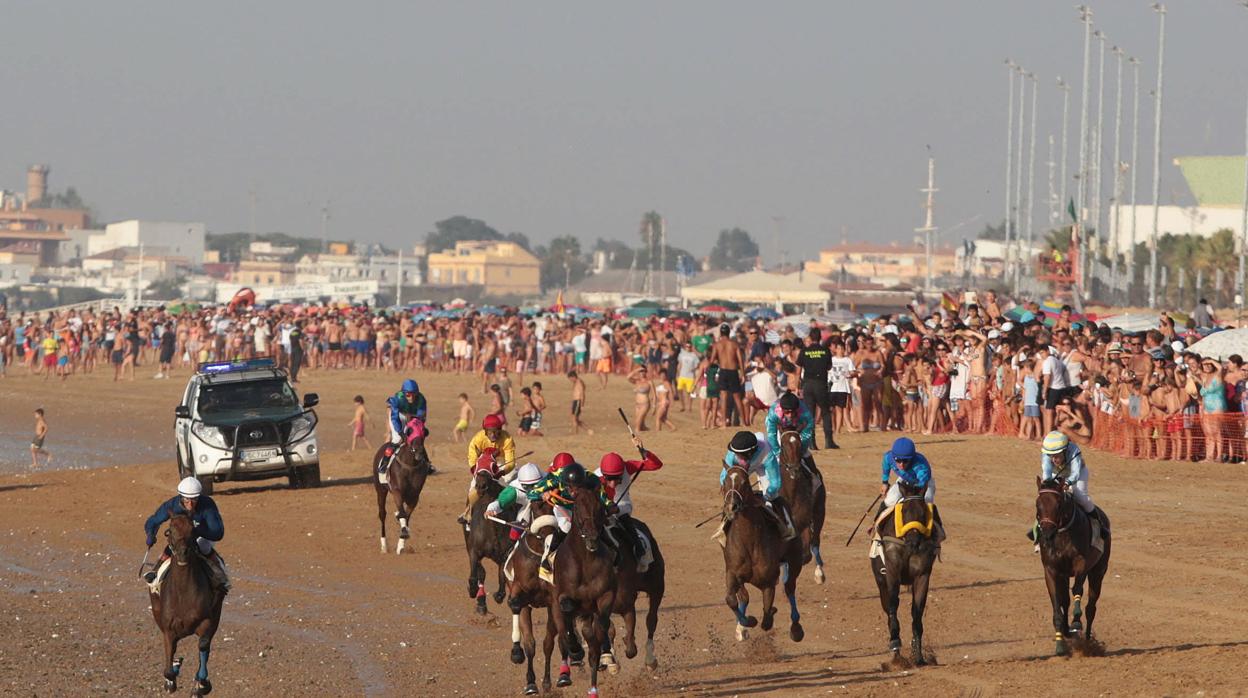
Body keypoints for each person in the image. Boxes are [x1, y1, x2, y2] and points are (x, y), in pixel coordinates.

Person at [142, 477, 230, 592]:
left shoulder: (207, 505)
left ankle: (220, 576)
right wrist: (150, 534)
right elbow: (153, 521)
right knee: (174, 545)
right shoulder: (172, 505)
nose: (190, 504)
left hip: (204, 535)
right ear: (181, 497)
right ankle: (156, 572)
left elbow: (217, 532)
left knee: (203, 546)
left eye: (194, 500)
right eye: (187, 500)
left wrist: (195, 530)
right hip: (182, 538)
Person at [526, 461, 609, 577]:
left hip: (584, 507)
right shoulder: (555, 478)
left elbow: (602, 496)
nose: (574, 492)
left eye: (578, 487)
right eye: (570, 488)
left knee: (597, 524)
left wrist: (610, 506)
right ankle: (548, 558)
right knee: (566, 527)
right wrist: (543, 495)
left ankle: (613, 553)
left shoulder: (592, 479)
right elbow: (531, 493)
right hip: (564, 506)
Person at [714, 430, 795, 544]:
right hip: (742, 467)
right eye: (736, 454)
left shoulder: (767, 454)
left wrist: (766, 498)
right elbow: (724, 476)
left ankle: (786, 527)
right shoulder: (733, 453)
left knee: (773, 497)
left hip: (762, 464)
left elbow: (775, 482)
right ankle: (724, 527)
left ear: (749, 453)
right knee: (733, 494)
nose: (736, 455)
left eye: (739, 455)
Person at [1033, 430, 1106, 552]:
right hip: (1056, 474)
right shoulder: (1046, 455)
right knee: (1047, 502)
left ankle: (1100, 526)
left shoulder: (1074, 451)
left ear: (1065, 450)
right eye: (1051, 455)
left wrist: (1067, 483)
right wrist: (1049, 488)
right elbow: (1047, 474)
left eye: (1057, 455)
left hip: (1078, 474)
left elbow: (1075, 474)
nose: (1054, 459)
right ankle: (1037, 535)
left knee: (1081, 497)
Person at [595, 435, 663, 568]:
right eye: (609, 479)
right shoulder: (595, 478)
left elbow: (656, 465)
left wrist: (643, 451)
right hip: (602, 507)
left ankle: (640, 549)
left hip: (622, 505)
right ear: (603, 474)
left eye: (617, 479)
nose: (613, 483)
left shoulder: (629, 466)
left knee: (624, 518)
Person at [876, 437, 944, 542]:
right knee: (890, 499)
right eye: (898, 460)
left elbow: (921, 486)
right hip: (905, 480)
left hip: (923, 484)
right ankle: (876, 524)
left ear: (912, 458)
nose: (901, 464)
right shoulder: (888, 457)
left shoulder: (921, 466)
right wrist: (885, 483)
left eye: (905, 461)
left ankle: (938, 530)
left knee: (927, 501)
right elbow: (886, 466)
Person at [458, 414, 516, 524]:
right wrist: (476, 470)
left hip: (501, 463)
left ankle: (515, 510)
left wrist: (501, 472)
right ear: (485, 431)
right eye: (490, 432)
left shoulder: (507, 439)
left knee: (512, 484)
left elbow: (511, 462)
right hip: (483, 464)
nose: (493, 435)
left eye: (496, 432)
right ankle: (468, 512)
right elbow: (472, 456)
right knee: (473, 487)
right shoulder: (478, 438)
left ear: (500, 430)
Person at [765, 392, 823, 488]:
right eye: (787, 412)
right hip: (781, 432)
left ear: (797, 409)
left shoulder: (806, 414)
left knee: (805, 453)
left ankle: (814, 477)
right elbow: (771, 434)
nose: (790, 415)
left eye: (792, 412)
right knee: (772, 456)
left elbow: (807, 434)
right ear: (782, 410)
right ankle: (767, 484)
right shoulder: (773, 413)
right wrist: (777, 452)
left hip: (798, 430)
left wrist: (800, 450)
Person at [797, 327, 838, 449]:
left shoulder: (804, 351)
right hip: (820, 384)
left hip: (808, 384)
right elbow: (829, 367)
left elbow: (798, 370)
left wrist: (798, 387)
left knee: (810, 414)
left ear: (810, 337)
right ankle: (828, 441)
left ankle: (811, 442)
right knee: (825, 412)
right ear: (820, 338)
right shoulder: (825, 351)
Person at [378, 378, 428, 475]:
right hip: (398, 416)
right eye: (408, 395)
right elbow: (395, 417)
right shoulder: (398, 399)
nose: (411, 398)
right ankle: (384, 463)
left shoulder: (421, 400)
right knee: (397, 439)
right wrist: (400, 432)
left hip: (413, 418)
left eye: (414, 394)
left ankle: (426, 463)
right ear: (404, 393)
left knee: (417, 438)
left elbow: (421, 418)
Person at [485, 462, 545, 540]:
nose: (531, 490)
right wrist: (491, 509)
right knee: (515, 533)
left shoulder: (548, 480)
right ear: (521, 483)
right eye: (527, 486)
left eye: (534, 485)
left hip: (546, 505)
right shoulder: (513, 491)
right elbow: (499, 503)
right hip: (527, 508)